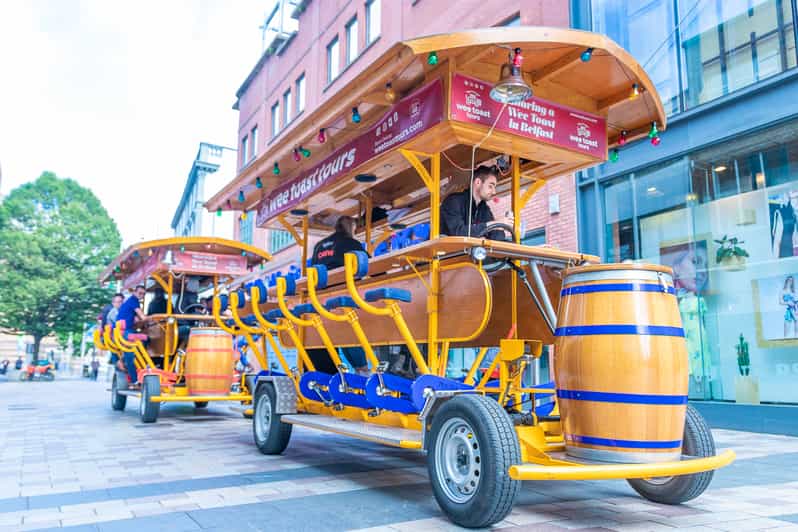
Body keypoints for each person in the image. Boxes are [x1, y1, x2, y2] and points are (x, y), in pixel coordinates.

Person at [310, 216, 370, 375]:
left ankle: (354, 372)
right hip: (343, 295)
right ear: (351, 227)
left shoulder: (319, 246)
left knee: (338, 334)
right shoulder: (351, 243)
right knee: (350, 331)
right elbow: (369, 265)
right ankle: (362, 370)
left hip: (320, 300)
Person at [440, 165, 514, 238]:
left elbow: (497, 238)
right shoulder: (453, 201)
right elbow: (459, 232)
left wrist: (500, 226)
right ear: (478, 182)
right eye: (490, 186)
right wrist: (493, 224)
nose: (494, 192)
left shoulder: (484, 209)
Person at [113, 285, 148, 386]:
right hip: (126, 332)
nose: (141, 295)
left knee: (132, 354)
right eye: (140, 293)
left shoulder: (130, 301)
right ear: (135, 292)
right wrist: (149, 318)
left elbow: (136, 318)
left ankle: (127, 362)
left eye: (143, 294)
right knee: (131, 355)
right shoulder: (134, 300)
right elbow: (142, 316)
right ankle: (135, 379)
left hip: (123, 331)